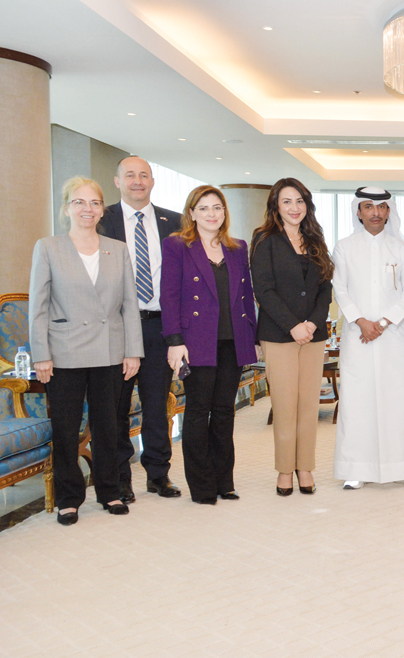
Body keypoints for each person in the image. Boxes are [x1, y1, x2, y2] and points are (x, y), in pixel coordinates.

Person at [28, 177, 143, 525]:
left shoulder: (117, 248)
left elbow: (128, 304)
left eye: (94, 203)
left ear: (101, 209)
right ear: (66, 209)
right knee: (65, 429)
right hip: (63, 353)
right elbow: (39, 305)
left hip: (110, 350)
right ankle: (68, 497)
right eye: (79, 202)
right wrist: (40, 354)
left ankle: (109, 491)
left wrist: (133, 351)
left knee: (109, 426)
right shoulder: (48, 247)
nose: (87, 209)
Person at [161, 185, 258, 505]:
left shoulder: (237, 247)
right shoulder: (177, 245)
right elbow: (170, 295)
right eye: (203, 208)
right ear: (191, 213)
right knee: (198, 412)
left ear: (225, 213)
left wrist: (253, 338)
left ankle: (224, 481)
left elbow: (246, 297)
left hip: (232, 340)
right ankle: (202, 485)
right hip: (196, 342)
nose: (212, 214)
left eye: (217, 207)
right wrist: (174, 341)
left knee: (224, 412)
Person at [99, 156, 183, 503]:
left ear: (152, 181)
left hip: (158, 325)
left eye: (143, 175)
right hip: (116, 326)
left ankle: (158, 474)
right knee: (116, 405)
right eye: (130, 175)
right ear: (117, 181)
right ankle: (120, 477)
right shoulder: (101, 220)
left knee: (155, 403)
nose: (137, 181)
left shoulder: (175, 222)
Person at [332, 187, 404, 489]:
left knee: (399, 399)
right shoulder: (344, 247)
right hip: (358, 335)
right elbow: (340, 288)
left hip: (393, 335)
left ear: (389, 212)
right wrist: (361, 320)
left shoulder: (401, 248)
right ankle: (357, 469)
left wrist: (383, 322)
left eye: (381, 207)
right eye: (368, 207)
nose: (375, 213)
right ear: (358, 212)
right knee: (357, 400)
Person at [250, 178, 333, 496]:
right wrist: (293, 325)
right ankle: (285, 470)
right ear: (275, 206)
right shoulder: (265, 239)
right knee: (285, 405)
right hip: (279, 334)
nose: (294, 207)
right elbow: (263, 289)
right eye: (287, 201)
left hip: (313, 335)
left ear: (306, 204)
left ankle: (305, 467)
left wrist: (312, 323)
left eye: (299, 201)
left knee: (308, 404)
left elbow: (325, 286)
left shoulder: (315, 237)